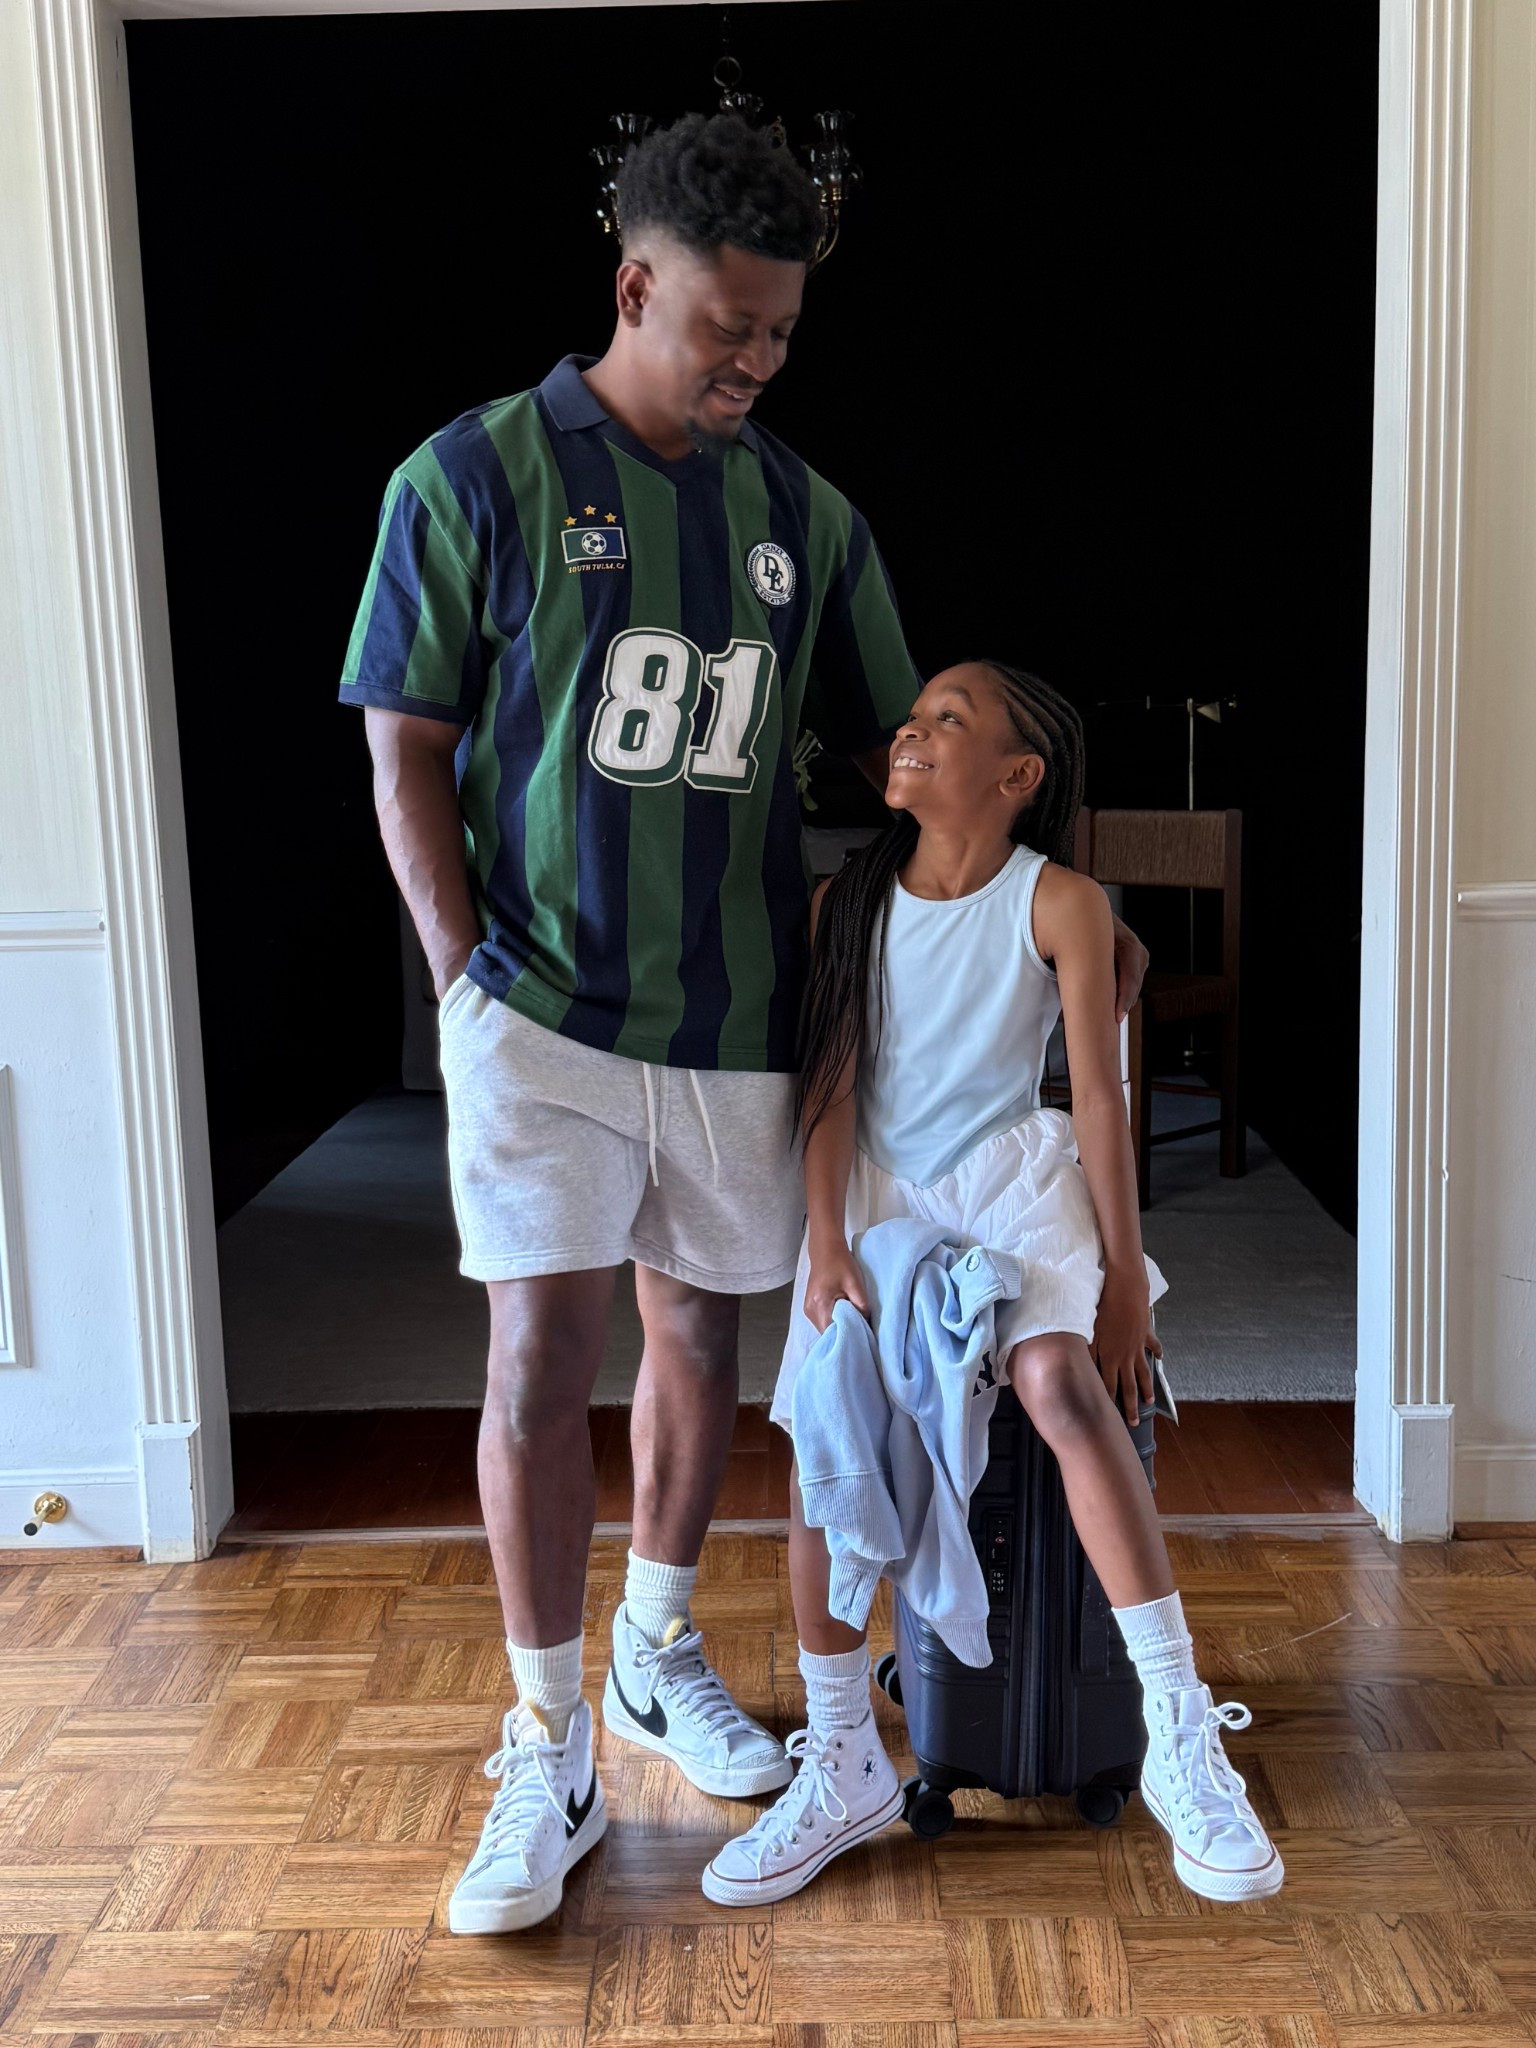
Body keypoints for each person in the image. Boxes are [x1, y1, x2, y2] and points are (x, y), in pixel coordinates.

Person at [341, 114, 1148, 1935]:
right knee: (540, 1363)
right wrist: (462, 971)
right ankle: (542, 1740)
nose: (755, 364)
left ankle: (649, 1648)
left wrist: (1035, 925)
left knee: (701, 1347)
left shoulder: (807, 518)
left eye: (781, 334)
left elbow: (910, 755)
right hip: (537, 1002)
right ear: (635, 285)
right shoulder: (469, 476)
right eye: (725, 327)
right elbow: (402, 742)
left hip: (732, 1025)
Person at [702, 660, 1282, 1908]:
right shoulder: (844, 900)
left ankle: (1180, 1730)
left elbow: (1104, 1099)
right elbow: (832, 1085)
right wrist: (828, 1246)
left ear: (1017, 779)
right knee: (824, 1434)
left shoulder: (1062, 900)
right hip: (883, 1196)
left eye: (948, 720)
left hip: (1012, 1178)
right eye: (913, 715)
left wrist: (1128, 1280)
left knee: (1064, 1382)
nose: (912, 727)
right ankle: (844, 1749)